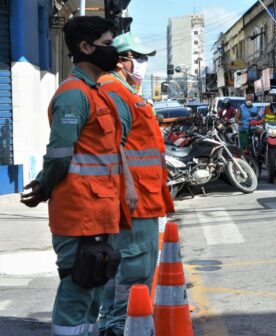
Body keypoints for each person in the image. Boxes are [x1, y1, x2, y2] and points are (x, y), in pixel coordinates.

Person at [20, 16, 136, 336]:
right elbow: (59, 154)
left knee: (93, 289)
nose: (114, 53)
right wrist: (43, 186)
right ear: (85, 48)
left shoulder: (95, 92)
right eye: (108, 45)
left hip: (99, 210)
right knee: (78, 288)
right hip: (80, 212)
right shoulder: (74, 95)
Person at [97, 32, 175, 336]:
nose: (142, 64)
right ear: (121, 60)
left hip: (142, 195)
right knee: (134, 267)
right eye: (138, 58)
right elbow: (112, 144)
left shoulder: (125, 91)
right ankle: (120, 325)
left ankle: (115, 323)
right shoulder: (115, 91)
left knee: (125, 265)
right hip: (135, 199)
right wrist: (128, 186)